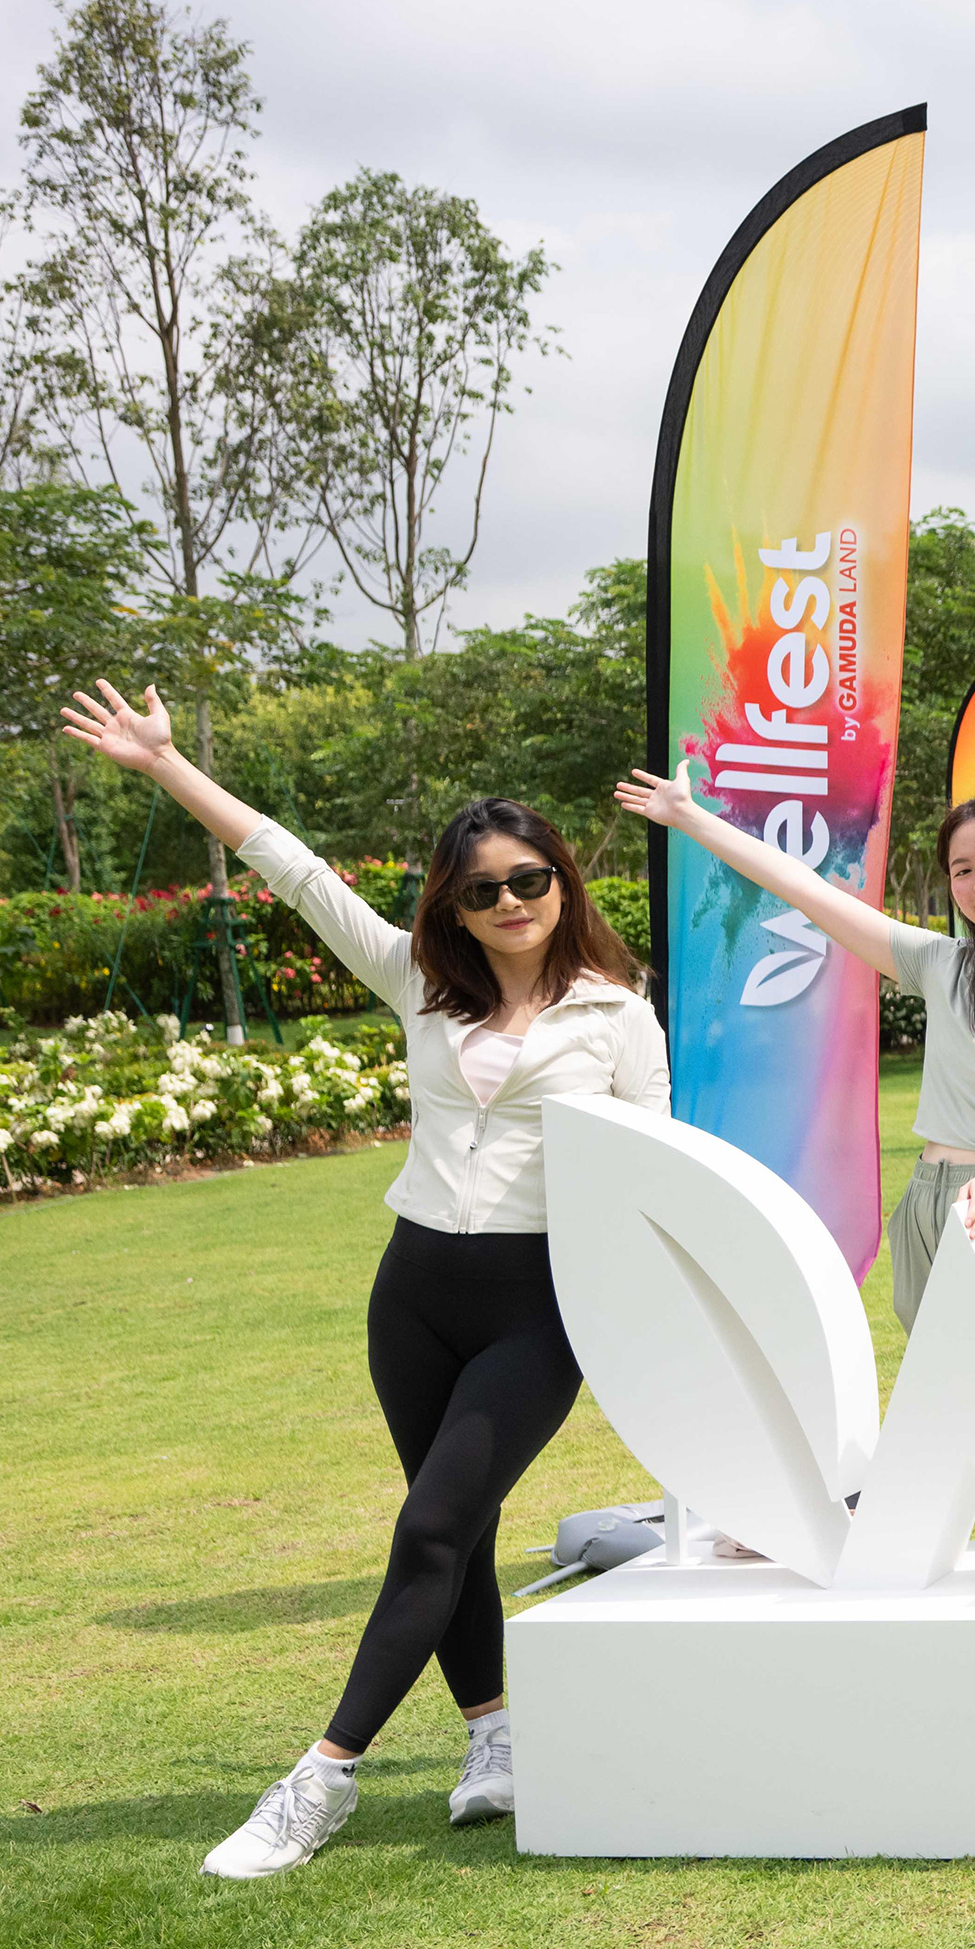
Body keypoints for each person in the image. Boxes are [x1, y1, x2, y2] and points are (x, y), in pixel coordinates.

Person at [62, 684, 670, 1878]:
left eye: (529, 879)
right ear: (454, 904)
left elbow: (650, 1164)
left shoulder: (617, 1012)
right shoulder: (418, 981)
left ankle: (322, 1778)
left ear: (563, 882)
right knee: (457, 1526)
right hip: (416, 1293)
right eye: (483, 889)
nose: (509, 902)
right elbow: (291, 868)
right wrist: (165, 765)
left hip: (539, 1307)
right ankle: (493, 1738)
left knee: (431, 1523)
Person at [617, 773, 975, 1365]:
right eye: (962, 869)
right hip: (930, 1204)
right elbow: (805, 889)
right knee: (939, 1407)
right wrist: (688, 816)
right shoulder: (944, 966)